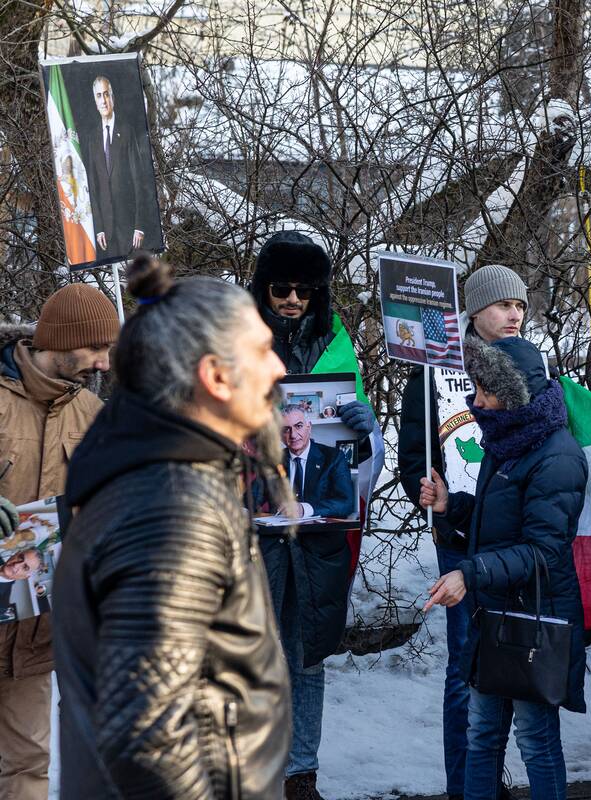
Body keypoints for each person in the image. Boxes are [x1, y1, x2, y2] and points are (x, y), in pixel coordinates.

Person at [54, 256, 290, 799]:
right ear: (215, 375)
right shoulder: (171, 508)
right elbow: (147, 735)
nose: (277, 368)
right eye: (260, 349)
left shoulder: (158, 477)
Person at [420, 335, 588, 800]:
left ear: (514, 397)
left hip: (533, 617)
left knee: (535, 740)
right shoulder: (507, 440)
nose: (477, 401)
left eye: (486, 392)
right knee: (481, 735)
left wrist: (469, 573)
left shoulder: (556, 456)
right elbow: (497, 524)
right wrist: (451, 506)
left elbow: (542, 552)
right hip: (492, 615)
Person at [250, 230, 382, 800]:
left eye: (305, 290)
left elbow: (359, 449)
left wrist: (366, 431)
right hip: (252, 526)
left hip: (314, 527)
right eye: (281, 288)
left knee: (305, 652)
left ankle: (301, 769)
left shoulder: (337, 344)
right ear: (263, 289)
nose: (293, 300)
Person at [396, 262, 530, 800]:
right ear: (475, 310)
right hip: (460, 541)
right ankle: (467, 786)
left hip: (518, 539)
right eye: (503, 304)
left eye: (520, 304)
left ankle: (500, 773)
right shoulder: (433, 368)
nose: (514, 314)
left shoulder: (532, 364)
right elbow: (414, 452)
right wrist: (426, 495)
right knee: (465, 669)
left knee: (517, 666)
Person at [0, 282, 118, 799]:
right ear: (63, 340)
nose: (104, 363)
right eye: (96, 349)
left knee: (28, 763)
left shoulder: (90, 412)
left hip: (34, 629)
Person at [83, 75, 159, 259]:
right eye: (99, 96)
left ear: (113, 97)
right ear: (95, 100)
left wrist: (139, 226)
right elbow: (93, 187)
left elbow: (139, 181)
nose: (104, 100)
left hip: (131, 229)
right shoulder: (92, 138)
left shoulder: (127, 131)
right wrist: (99, 228)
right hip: (106, 234)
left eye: (106, 94)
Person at [276, 405, 355, 519]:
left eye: (298, 426)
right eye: (286, 429)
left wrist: (303, 509)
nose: (293, 435)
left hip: (321, 533)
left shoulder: (334, 457)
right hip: (282, 532)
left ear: (309, 427)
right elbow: (254, 498)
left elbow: (346, 504)